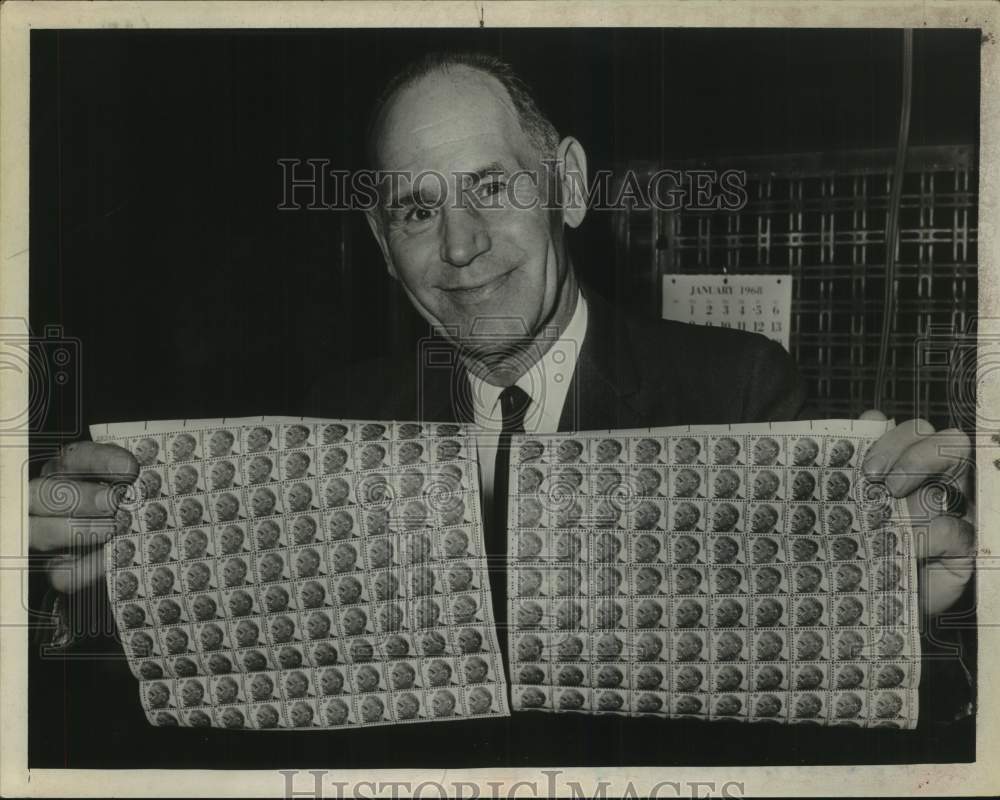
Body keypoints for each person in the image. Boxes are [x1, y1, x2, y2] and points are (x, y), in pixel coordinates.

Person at [29, 49, 973, 756]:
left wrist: (921, 600)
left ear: (566, 183)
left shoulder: (738, 388)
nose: (462, 247)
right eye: (416, 208)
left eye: (490, 186)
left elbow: (810, 692)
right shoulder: (337, 416)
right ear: (380, 238)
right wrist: (100, 594)